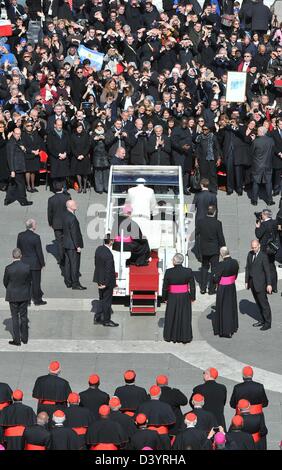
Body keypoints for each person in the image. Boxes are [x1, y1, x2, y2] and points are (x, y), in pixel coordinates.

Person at [162, 253, 196, 344]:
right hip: (185, 296)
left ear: (174, 261)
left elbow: (165, 287)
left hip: (172, 296)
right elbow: (192, 286)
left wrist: (164, 297)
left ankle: (170, 336)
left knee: (171, 316)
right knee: (185, 316)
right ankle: (185, 336)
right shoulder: (188, 271)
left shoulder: (169, 272)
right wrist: (192, 297)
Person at [3, 248, 31, 346]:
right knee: (23, 317)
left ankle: (17, 340)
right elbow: (29, 281)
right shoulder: (26, 267)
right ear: (21, 256)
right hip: (23, 295)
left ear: (12, 256)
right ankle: (25, 338)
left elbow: (5, 282)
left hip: (13, 295)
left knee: (14, 317)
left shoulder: (8, 268)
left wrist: (10, 288)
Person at [196, 205, 226, 295]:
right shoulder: (217, 223)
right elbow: (220, 237)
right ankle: (212, 289)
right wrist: (223, 247)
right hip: (214, 250)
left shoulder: (201, 222)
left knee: (204, 268)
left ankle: (203, 288)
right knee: (214, 269)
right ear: (215, 212)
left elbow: (197, 233)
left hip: (204, 249)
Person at [17, 219, 46, 306]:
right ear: (32, 226)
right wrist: (42, 263)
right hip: (35, 264)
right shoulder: (36, 237)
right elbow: (39, 252)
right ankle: (37, 300)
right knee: (36, 282)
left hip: (24, 263)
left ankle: (27, 301)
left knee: (26, 283)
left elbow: (18, 248)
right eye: (35, 224)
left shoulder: (20, 235)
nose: (36, 225)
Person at [136, 385, 175, 450]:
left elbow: (137, 420)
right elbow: (172, 421)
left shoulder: (142, 406)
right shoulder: (166, 406)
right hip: (163, 435)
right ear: (160, 393)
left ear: (150, 394)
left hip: (147, 436)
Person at [245, 239, 272, 331]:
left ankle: (268, 323)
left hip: (261, 284)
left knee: (264, 304)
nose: (254, 249)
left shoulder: (263, 256)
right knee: (258, 303)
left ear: (259, 246)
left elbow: (267, 271)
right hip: (252, 283)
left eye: (255, 247)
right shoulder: (250, 254)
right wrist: (246, 281)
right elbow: (247, 268)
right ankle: (261, 320)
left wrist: (269, 284)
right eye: (252, 247)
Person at [212, 246, 239, 338]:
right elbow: (235, 275)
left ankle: (225, 330)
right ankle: (233, 327)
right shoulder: (235, 262)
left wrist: (214, 279)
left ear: (221, 254)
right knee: (231, 306)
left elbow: (216, 278)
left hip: (223, 288)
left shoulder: (221, 264)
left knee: (224, 308)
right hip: (231, 286)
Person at [93, 236, 118, 327]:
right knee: (107, 302)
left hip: (99, 279)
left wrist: (100, 280)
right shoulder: (109, 255)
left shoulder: (99, 249)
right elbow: (108, 270)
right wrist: (106, 284)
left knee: (102, 299)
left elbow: (96, 264)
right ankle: (106, 320)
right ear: (111, 241)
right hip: (106, 282)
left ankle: (98, 317)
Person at [4, 127, 33, 206]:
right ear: (13, 133)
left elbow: (22, 149)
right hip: (16, 168)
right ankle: (23, 201)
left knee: (12, 184)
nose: (18, 135)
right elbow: (10, 157)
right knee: (21, 184)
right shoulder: (11, 143)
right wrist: (12, 170)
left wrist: (23, 149)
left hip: (18, 167)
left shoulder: (18, 141)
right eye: (16, 134)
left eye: (19, 134)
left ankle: (8, 200)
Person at [63, 199, 86, 290]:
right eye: (74, 204)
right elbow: (74, 233)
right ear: (70, 206)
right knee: (75, 265)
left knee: (68, 264)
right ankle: (75, 284)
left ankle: (68, 282)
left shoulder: (65, 215)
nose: (76, 204)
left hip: (66, 244)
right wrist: (78, 246)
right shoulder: (72, 218)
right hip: (73, 245)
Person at [47, 180, 71, 268]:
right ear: (62, 188)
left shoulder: (51, 199)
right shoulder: (67, 197)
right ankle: (68, 257)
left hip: (56, 224)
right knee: (67, 240)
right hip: (66, 223)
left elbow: (50, 212)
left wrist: (50, 222)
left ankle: (62, 259)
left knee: (60, 243)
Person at [255, 208, 278, 292]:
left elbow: (258, 235)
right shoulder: (274, 222)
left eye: (262, 214)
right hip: (272, 247)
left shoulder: (264, 225)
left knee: (265, 267)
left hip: (265, 249)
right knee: (272, 267)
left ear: (265, 215)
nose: (261, 216)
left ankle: (268, 287)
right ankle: (274, 287)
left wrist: (257, 227)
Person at [251, 126, 275, 206]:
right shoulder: (271, 140)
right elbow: (272, 152)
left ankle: (254, 200)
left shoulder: (256, 141)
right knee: (268, 183)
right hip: (268, 165)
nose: (257, 132)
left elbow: (251, 152)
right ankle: (269, 200)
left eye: (258, 131)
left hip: (257, 165)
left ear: (261, 132)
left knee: (256, 183)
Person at [195, 126, 221, 194]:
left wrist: (218, 158)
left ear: (209, 130)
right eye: (203, 129)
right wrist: (196, 160)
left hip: (212, 159)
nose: (204, 130)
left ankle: (213, 189)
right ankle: (204, 189)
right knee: (203, 175)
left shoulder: (213, 137)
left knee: (212, 175)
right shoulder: (200, 137)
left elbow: (217, 148)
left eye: (206, 129)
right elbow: (197, 149)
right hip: (202, 159)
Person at [70, 123, 91, 193]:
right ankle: (80, 187)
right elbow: (72, 147)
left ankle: (85, 187)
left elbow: (88, 146)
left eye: (81, 128)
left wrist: (83, 155)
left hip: (84, 156)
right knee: (78, 172)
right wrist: (77, 155)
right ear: (76, 128)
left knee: (85, 173)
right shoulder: (72, 136)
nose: (80, 129)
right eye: (78, 128)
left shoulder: (86, 135)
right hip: (76, 157)